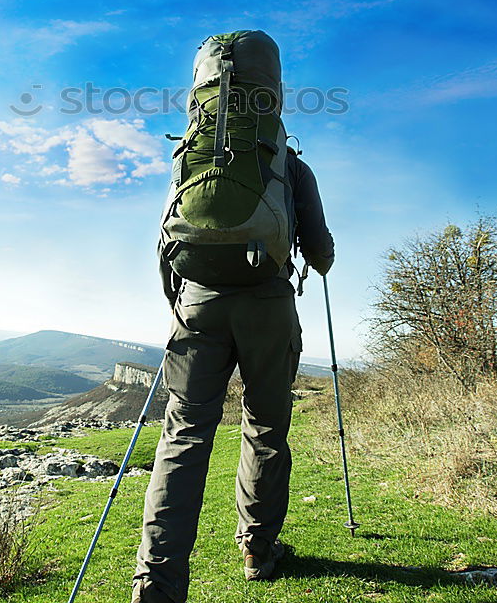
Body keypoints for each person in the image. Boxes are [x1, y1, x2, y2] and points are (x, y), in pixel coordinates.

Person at [132, 50, 335, 603]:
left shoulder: (189, 154)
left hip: (198, 302)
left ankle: (157, 581)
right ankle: (257, 549)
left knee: (184, 434)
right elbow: (318, 251)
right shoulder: (288, 166)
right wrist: (317, 255)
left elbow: (173, 230)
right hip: (266, 304)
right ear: (273, 92)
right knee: (266, 425)